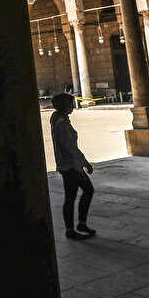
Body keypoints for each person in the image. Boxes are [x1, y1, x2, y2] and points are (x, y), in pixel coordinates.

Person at [50, 92, 95, 240]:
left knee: (86, 191)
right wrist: (85, 163)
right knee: (72, 197)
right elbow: (70, 147)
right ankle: (70, 230)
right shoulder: (62, 122)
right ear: (66, 106)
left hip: (70, 164)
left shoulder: (59, 119)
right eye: (71, 104)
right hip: (69, 166)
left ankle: (81, 223)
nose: (73, 107)